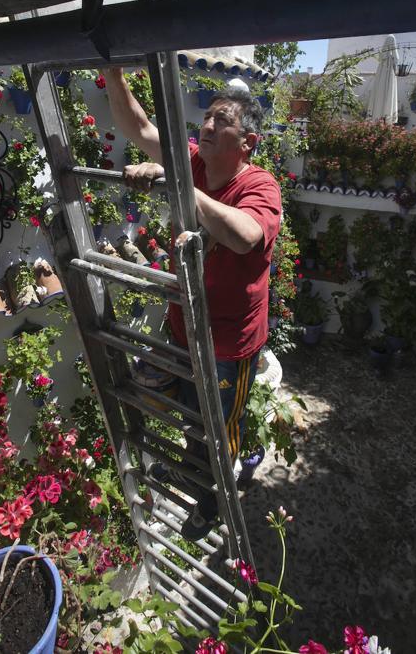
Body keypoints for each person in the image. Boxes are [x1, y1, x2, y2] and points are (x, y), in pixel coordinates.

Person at [104, 68, 281, 539]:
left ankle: (212, 502)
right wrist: (112, 71)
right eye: (207, 116)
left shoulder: (260, 186)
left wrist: (177, 183)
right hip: (187, 327)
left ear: (247, 142)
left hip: (229, 345)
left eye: (222, 120)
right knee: (189, 414)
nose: (207, 124)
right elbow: (139, 127)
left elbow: (245, 236)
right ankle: (190, 468)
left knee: (217, 432)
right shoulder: (192, 162)